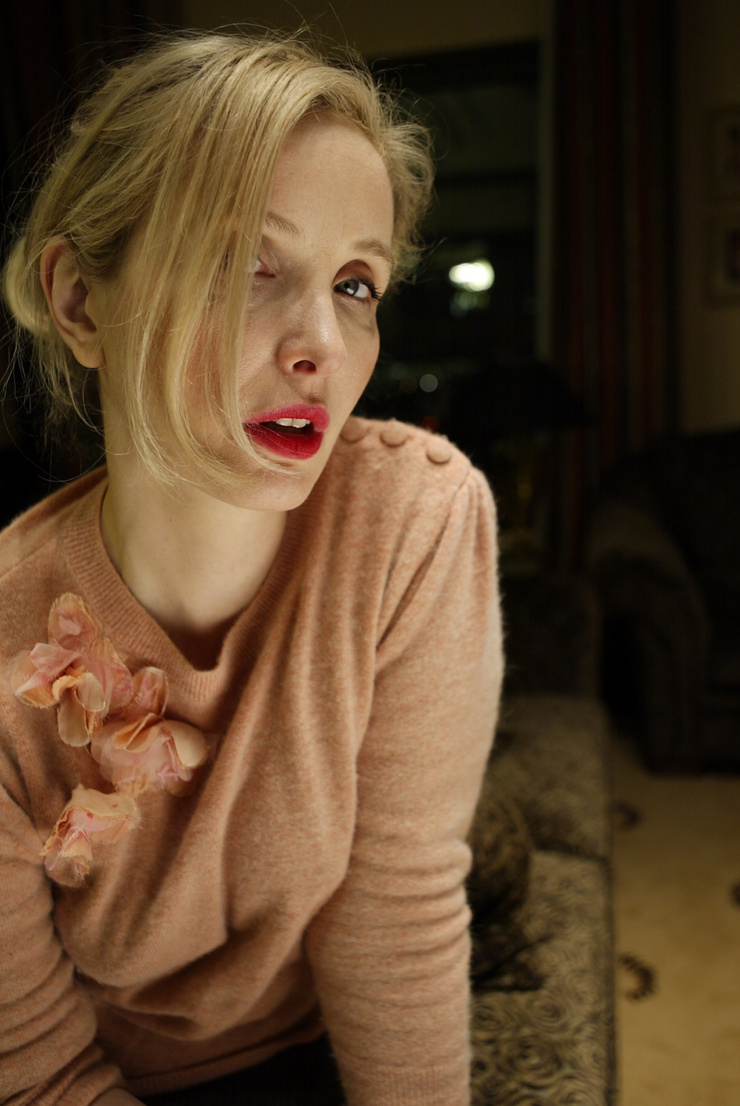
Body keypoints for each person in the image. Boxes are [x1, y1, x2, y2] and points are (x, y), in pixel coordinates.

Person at [0, 31, 503, 1106]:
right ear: (82, 302)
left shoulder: (414, 519)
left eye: (357, 283)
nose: (322, 343)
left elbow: (396, 915)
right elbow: (32, 1059)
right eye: (247, 265)